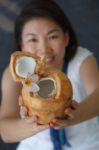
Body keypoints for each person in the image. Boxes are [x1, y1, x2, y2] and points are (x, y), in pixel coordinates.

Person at [0, 0, 99, 150]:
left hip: (86, 143)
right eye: (32, 39)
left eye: (52, 37)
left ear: (66, 38)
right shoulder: (15, 75)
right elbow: (5, 131)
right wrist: (31, 126)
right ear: (22, 46)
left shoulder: (81, 60)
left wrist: (72, 117)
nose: (44, 49)